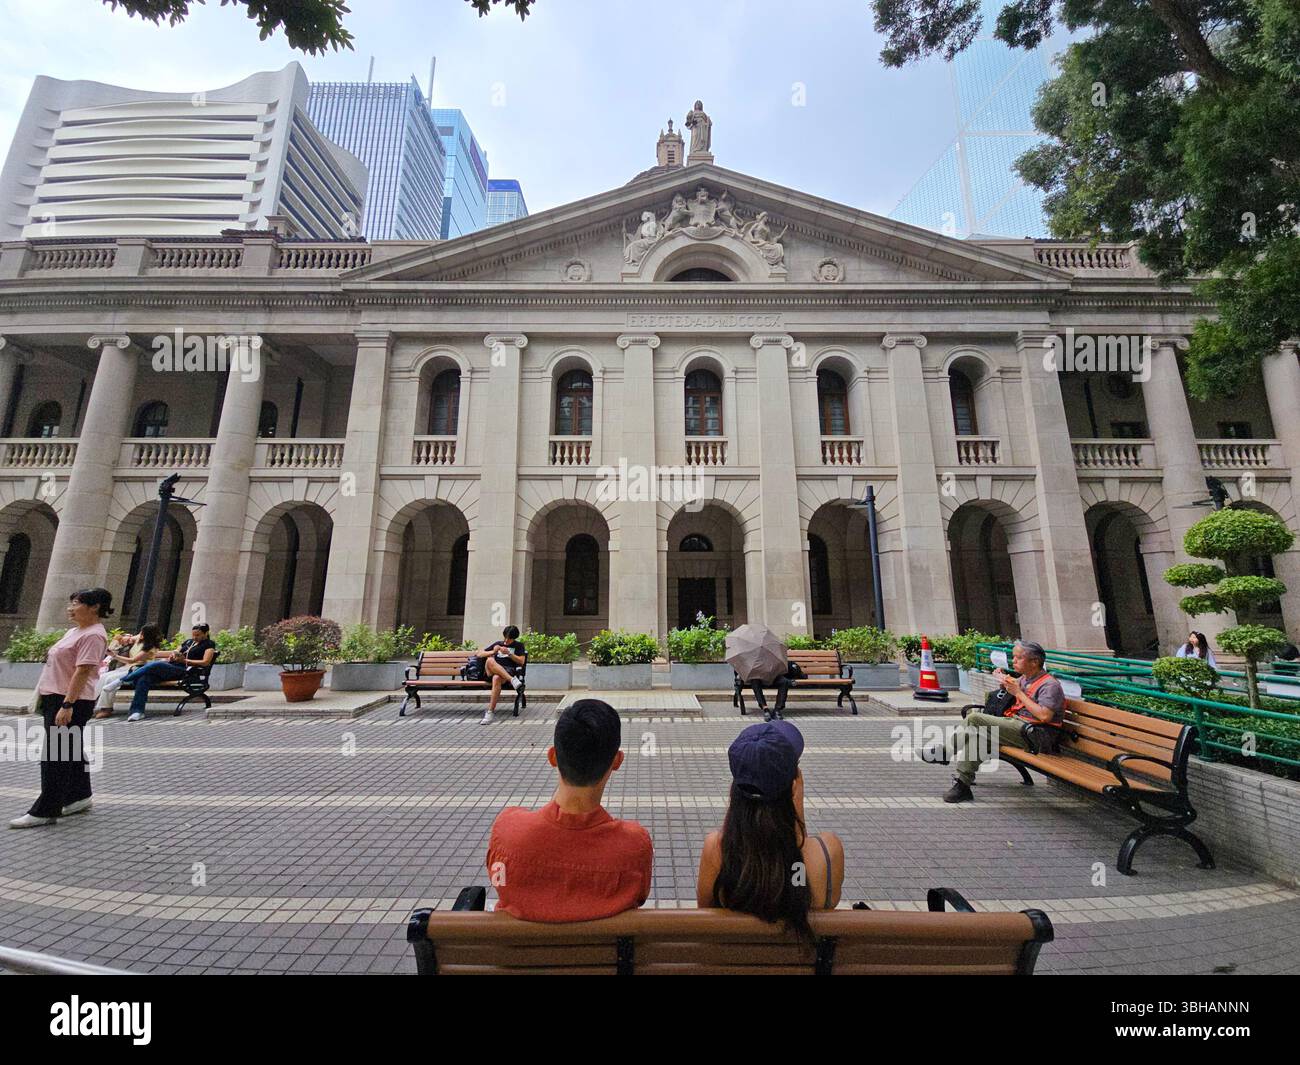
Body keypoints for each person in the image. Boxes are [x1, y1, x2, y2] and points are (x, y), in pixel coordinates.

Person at [485, 699, 653, 921]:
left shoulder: (507, 831)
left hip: (517, 954)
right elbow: (638, 896)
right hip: (608, 955)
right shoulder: (633, 845)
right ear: (617, 761)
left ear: (553, 757)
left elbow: (500, 883)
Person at [697, 721, 843, 941]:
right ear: (794, 787)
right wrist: (798, 820)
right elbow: (798, 878)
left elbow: (706, 913)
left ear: (736, 790)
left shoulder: (716, 849)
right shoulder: (826, 852)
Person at [9, 588, 113, 829]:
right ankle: (79, 796)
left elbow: (83, 670)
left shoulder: (94, 635)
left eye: (76, 603)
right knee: (70, 749)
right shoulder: (75, 631)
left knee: (55, 755)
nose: (70, 607)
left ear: (95, 606)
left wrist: (68, 704)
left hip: (70, 700)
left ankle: (46, 810)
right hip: (56, 696)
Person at [922, 639, 1066, 804]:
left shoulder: (1050, 686)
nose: (1014, 661)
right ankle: (963, 785)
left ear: (1034, 662)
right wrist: (1003, 680)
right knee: (978, 737)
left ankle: (945, 752)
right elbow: (1015, 689)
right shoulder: (1026, 678)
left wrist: (1018, 693)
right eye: (1014, 657)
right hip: (1019, 727)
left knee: (975, 719)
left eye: (1018, 658)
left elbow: (1044, 716)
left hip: (1038, 735)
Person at [120, 623, 216, 722]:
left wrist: (185, 661)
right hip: (172, 667)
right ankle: (137, 712)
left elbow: (205, 662)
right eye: (193, 635)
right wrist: (173, 655)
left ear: (206, 633)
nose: (195, 637)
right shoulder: (188, 642)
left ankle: (123, 680)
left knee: (156, 664)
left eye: (198, 635)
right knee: (144, 678)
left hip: (185, 670)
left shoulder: (208, 644)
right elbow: (175, 652)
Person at [93, 625, 164, 719]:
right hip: (126, 668)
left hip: (137, 669)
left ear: (148, 635)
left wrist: (114, 655)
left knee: (110, 679)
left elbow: (132, 660)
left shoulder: (150, 648)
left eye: (142, 633)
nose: (139, 634)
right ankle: (89, 702)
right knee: (102, 677)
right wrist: (121, 638)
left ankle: (106, 708)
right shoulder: (139, 639)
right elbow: (123, 638)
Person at [477, 624, 526, 725]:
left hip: (506, 672)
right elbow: (479, 654)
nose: (506, 640)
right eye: (505, 637)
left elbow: (521, 662)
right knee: (490, 660)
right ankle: (513, 680)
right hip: (491, 672)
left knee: (497, 678)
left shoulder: (519, 646)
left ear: (514, 638)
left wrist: (509, 654)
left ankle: (490, 712)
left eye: (509, 639)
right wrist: (493, 651)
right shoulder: (498, 644)